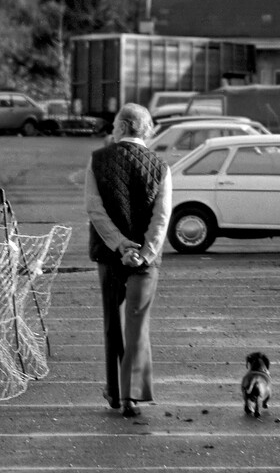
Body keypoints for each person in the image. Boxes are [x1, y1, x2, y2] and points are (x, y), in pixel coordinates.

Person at [84, 102, 172, 417]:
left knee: (113, 324)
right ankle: (130, 397)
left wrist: (120, 245)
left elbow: (94, 209)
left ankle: (114, 393)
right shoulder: (161, 166)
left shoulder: (98, 160)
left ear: (121, 127)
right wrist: (144, 253)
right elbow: (162, 219)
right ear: (145, 130)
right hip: (145, 263)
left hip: (109, 257)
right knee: (137, 323)